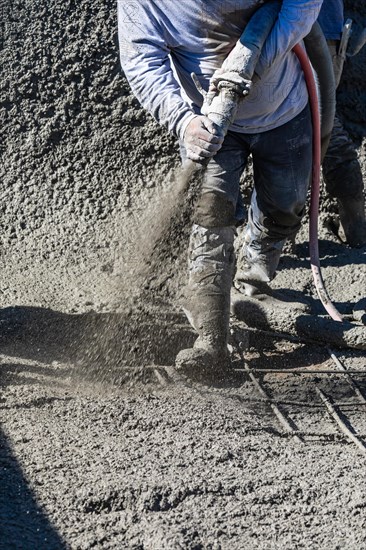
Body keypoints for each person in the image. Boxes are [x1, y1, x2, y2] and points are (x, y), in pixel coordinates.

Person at [118, 0, 323, 374]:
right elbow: (141, 60)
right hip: (207, 124)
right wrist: (184, 123)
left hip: (283, 111)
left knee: (285, 204)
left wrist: (253, 64)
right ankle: (211, 337)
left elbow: (303, 5)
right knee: (210, 215)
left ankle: (254, 278)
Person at [318, 0, 366, 248]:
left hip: (311, 32)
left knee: (299, 136)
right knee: (325, 126)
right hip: (322, 32)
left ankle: (268, 251)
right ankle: (358, 233)